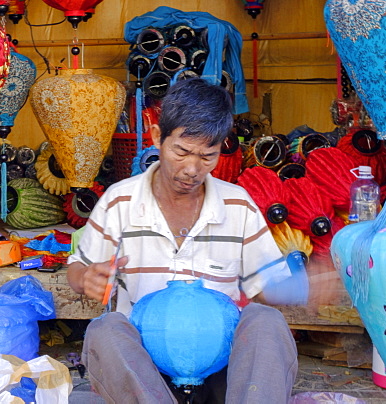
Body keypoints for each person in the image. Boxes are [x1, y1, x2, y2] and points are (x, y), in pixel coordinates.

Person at [67, 78, 300, 404]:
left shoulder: (238, 204)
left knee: (266, 321)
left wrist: (298, 286)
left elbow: (267, 289)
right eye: (182, 151)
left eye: (208, 156)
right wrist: (86, 277)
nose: (192, 168)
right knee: (105, 330)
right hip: (144, 368)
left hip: (222, 363)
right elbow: (77, 268)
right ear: (157, 137)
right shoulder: (120, 201)